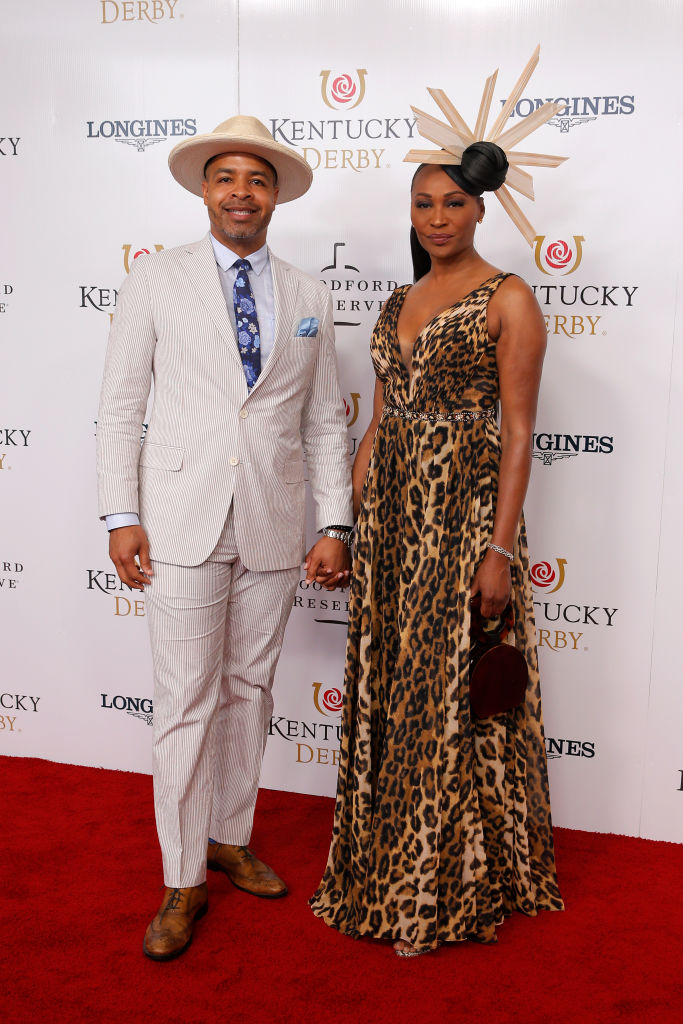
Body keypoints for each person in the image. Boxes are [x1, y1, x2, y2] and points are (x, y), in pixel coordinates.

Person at [97, 115, 353, 961]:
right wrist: (118, 512)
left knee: (250, 689)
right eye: (226, 178)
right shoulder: (155, 281)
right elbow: (120, 407)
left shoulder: (311, 295)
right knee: (184, 702)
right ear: (205, 190)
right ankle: (182, 879)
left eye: (257, 179)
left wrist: (332, 521)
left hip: (277, 525)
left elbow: (322, 425)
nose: (241, 192)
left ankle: (230, 838)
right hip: (177, 519)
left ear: (274, 194)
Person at [310, 141, 564, 956]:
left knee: (449, 688)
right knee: (394, 680)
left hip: (462, 520)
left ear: (480, 210)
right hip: (390, 524)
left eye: (452, 203)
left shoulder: (508, 297)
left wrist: (499, 551)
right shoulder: (395, 300)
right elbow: (378, 424)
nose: (437, 218)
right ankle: (388, 854)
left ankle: (452, 874)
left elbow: (519, 433)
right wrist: (345, 525)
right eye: (423, 204)